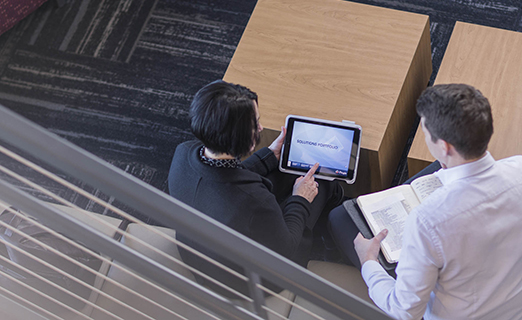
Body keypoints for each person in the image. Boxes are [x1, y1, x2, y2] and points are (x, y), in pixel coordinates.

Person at [333, 83, 522, 319]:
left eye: (424, 131)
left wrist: (369, 262)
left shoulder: (428, 220)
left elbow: (405, 311)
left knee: (339, 219)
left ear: (444, 146)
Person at [168, 80, 343, 298]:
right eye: (256, 124)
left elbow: (225, 174)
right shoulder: (255, 202)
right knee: (323, 182)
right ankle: (333, 247)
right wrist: (300, 198)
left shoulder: (184, 153)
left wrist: (269, 154)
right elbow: (285, 248)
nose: (260, 128)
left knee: (287, 168)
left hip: (200, 252)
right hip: (250, 281)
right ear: (240, 138)